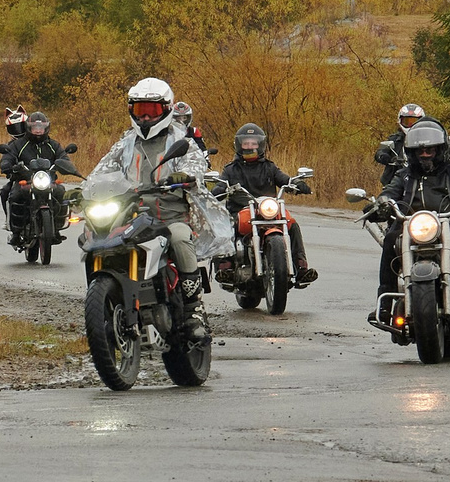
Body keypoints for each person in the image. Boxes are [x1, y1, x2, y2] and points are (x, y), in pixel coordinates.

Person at [371, 120, 450, 323]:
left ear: (440, 150)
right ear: (412, 152)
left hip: (449, 223)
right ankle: (384, 305)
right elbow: (390, 191)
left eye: (430, 150)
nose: (425, 154)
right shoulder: (405, 176)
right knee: (390, 241)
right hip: (411, 225)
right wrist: (381, 203)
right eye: (420, 151)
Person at [120, 77, 213, 337]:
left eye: (152, 111)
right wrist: (86, 187)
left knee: (180, 239)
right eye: (141, 110)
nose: (146, 117)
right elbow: (105, 168)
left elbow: (197, 163)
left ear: (166, 109)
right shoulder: (127, 142)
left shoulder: (180, 139)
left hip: (170, 214)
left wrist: (185, 175)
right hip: (132, 214)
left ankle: (194, 309)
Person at [220, 122, 317, 284]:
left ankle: (301, 267)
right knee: (227, 225)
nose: (250, 146)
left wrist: (296, 183)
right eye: (246, 143)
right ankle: (226, 267)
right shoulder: (230, 169)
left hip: (268, 210)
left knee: (292, 224)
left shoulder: (269, 167)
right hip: (241, 210)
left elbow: (284, 179)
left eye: (253, 143)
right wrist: (218, 189)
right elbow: (221, 183)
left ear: (260, 145)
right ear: (239, 145)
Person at [0, 110, 77, 228]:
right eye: (35, 128)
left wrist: (66, 165)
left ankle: (58, 225)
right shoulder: (18, 144)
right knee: (14, 195)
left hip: (48, 180)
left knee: (61, 192)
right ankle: (15, 229)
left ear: (47, 128)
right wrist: (7, 165)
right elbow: (8, 157)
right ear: (28, 128)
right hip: (24, 181)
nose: (38, 130)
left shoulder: (53, 145)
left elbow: (63, 157)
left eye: (41, 127)